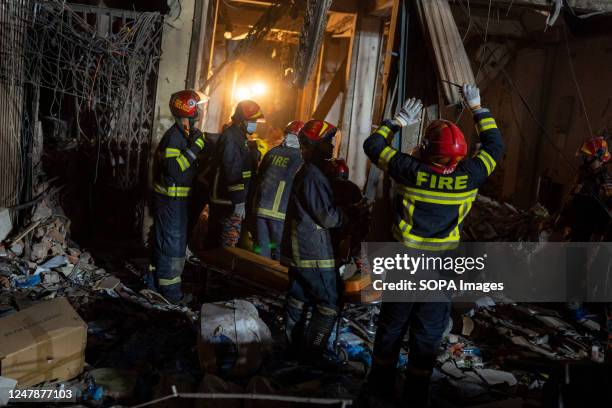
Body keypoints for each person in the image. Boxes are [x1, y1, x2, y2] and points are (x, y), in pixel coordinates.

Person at [361, 84, 504, 406]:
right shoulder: (472, 175)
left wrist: (398, 121)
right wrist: (477, 107)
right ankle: (415, 396)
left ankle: (380, 390)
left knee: (392, 329)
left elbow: (373, 145)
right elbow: (495, 144)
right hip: (442, 269)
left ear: (425, 149)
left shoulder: (409, 170)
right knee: (426, 335)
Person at [281, 120, 349, 364]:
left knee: (298, 298)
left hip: (299, 250)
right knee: (330, 301)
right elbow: (327, 217)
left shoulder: (309, 171)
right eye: (328, 142)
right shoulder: (313, 175)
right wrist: (349, 212)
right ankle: (313, 355)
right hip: (313, 252)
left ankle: (291, 349)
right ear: (315, 145)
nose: (332, 147)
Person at [150, 89, 209, 303]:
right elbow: (174, 170)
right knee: (172, 247)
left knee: (168, 244)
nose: (201, 111)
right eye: (198, 106)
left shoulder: (181, 133)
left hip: (176, 201)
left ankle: (155, 283)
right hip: (170, 202)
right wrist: (196, 148)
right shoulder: (174, 137)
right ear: (189, 110)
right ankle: (171, 296)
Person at [207, 100, 263, 248]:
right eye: (253, 121)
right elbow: (232, 170)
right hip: (227, 201)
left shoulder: (240, 137)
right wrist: (239, 201)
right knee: (226, 244)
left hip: (230, 199)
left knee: (222, 241)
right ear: (242, 120)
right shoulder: (231, 137)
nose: (255, 124)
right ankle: (216, 269)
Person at [251, 121, 304, 259]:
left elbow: (259, 177)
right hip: (281, 215)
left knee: (261, 252)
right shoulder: (300, 158)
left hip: (260, 210)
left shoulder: (272, 152)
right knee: (280, 255)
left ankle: (258, 278)